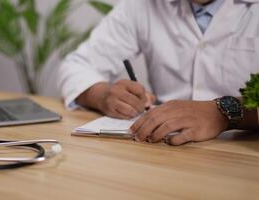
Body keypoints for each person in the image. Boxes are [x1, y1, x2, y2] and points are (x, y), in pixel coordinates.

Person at [58, 0, 259, 145]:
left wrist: (223, 113)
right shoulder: (141, 6)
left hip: (240, 155)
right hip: (160, 148)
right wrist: (102, 95)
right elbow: (76, 65)